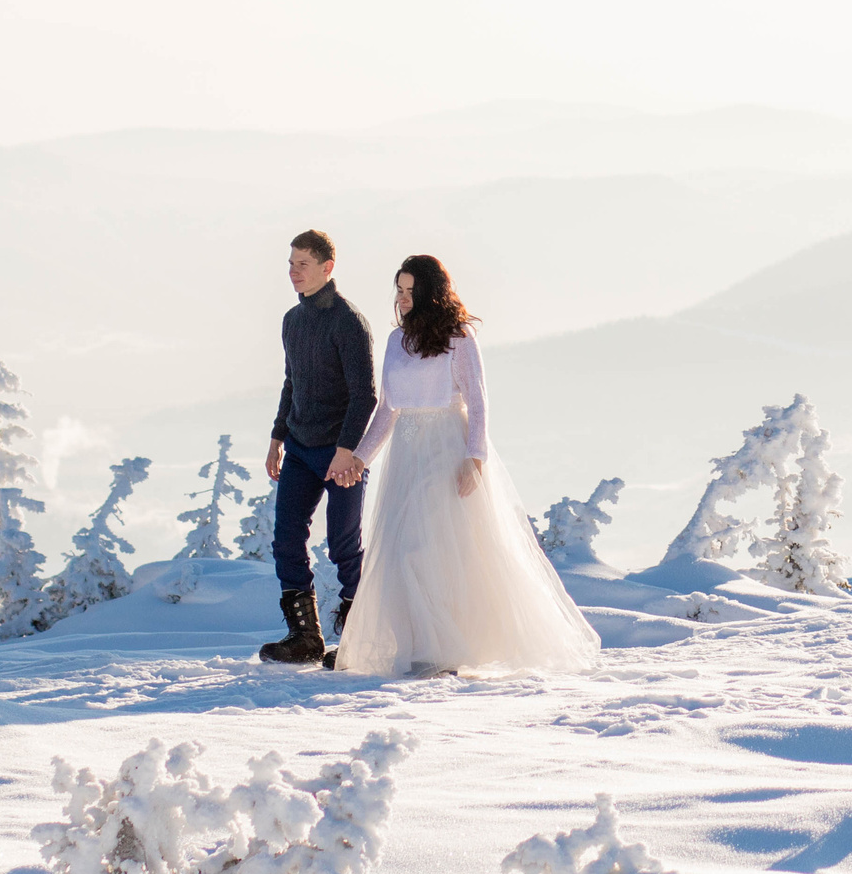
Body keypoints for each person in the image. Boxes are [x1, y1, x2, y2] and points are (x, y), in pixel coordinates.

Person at [328, 254, 602, 677]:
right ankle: (421, 647)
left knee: (434, 549)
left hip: (446, 449)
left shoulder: (459, 339)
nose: (401, 299)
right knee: (402, 551)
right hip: (405, 454)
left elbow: (478, 401)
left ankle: (446, 653)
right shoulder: (394, 343)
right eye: (398, 290)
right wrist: (361, 458)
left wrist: (474, 458)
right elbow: (387, 409)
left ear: (430, 294)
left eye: (410, 291)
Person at [257, 230, 376, 665]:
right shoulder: (292, 319)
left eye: (302, 264)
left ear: (327, 268)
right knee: (287, 538)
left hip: (340, 452)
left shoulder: (348, 321)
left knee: (345, 545)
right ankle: (304, 637)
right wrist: (276, 438)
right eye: (290, 263)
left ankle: (360, 639)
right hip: (301, 449)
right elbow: (293, 382)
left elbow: (365, 394)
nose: (293, 271)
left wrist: (348, 451)